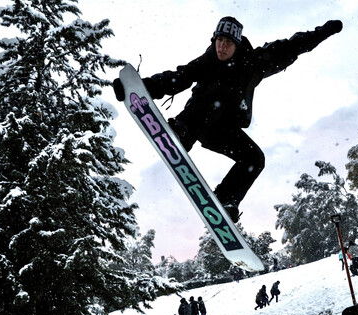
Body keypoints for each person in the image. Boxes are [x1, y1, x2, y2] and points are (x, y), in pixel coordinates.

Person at [113, 16, 343, 222]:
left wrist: (324, 31)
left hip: (222, 130)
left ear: (237, 44)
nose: (222, 47)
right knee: (217, 94)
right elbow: (178, 78)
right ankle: (181, 134)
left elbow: (292, 46)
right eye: (219, 41)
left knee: (254, 158)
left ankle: (226, 199)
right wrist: (140, 88)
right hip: (195, 122)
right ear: (214, 40)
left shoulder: (254, 63)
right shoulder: (207, 61)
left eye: (228, 43)